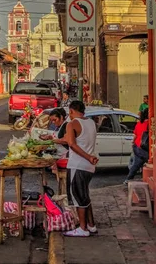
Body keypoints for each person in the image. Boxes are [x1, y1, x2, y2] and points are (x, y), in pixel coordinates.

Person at [64, 100, 99, 237]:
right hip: (89, 168)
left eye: (69, 112)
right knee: (84, 196)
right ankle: (91, 225)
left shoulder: (72, 124)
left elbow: (71, 144)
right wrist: (90, 158)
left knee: (78, 197)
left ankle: (82, 228)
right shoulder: (91, 123)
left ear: (71, 111)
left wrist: (88, 157)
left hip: (77, 165)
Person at [124, 108, 149, 184]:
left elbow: (135, 135)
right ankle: (128, 179)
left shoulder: (139, 123)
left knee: (136, 163)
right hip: (143, 147)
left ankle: (129, 179)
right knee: (137, 164)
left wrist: (133, 143)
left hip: (137, 145)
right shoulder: (149, 123)